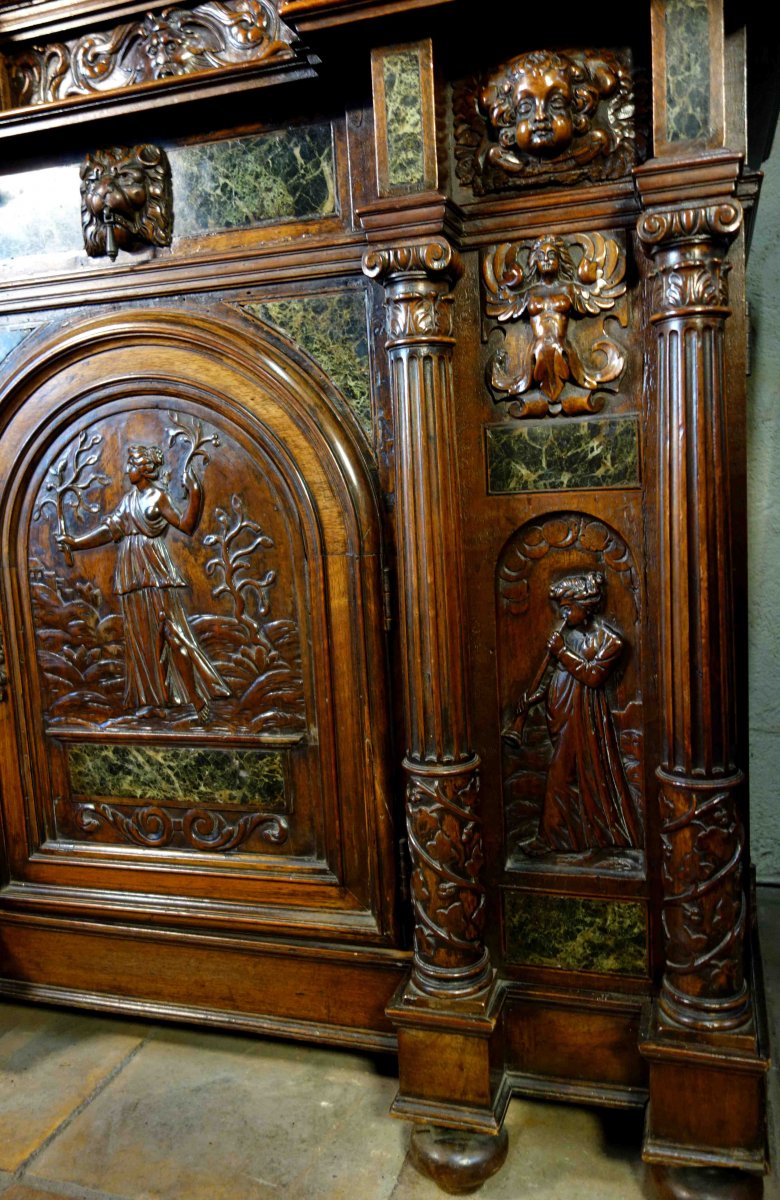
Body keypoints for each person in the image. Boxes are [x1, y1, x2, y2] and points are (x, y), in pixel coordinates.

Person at [56, 443, 229, 721]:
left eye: (133, 465)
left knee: (169, 632)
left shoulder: (157, 497)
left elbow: (186, 525)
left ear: (146, 470)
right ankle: (157, 701)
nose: (127, 470)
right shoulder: (128, 501)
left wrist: (195, 492)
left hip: (154, 571)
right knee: (144, 639)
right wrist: (75, 543)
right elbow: (108, 531)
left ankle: (196, 697)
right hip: (132, 573)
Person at [518, 571, 642, 853]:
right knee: (566, 775)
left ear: (585, 607)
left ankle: (554, 838)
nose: (562, 615)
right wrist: (534, 698)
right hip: (562, 717)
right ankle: (574, 838)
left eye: (567, 608)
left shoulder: (610, 642)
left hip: (583, 719)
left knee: (562, 775)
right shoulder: (568, 636)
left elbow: (592, 676)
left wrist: (562, 652)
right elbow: (556, 674)